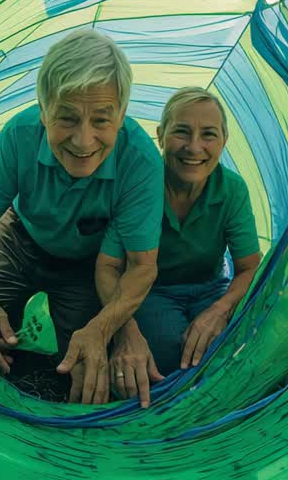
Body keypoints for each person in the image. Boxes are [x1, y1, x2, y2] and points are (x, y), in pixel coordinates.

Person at [0, 29, 162, 405]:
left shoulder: (141, 161)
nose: (83, 140)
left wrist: (103, 329)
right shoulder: (18, 135)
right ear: (43, 110)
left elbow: (141, 266)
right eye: (67, 118)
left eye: (101, 121)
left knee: (84, 370)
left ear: (121, 116)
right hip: (19, 240)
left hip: (86, 266)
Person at [99, 87, 262, 383]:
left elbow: (250, 267)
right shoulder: (140, 185)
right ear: (161, 136)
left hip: (211, 287)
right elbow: (109, 267)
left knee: (238, 349)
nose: (194, 147)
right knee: (168, 356)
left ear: (224, 141)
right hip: (152, 291)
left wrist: (220, 310)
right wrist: (123, 327)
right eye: (181, 132)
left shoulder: (232, 190)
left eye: (208, 134)